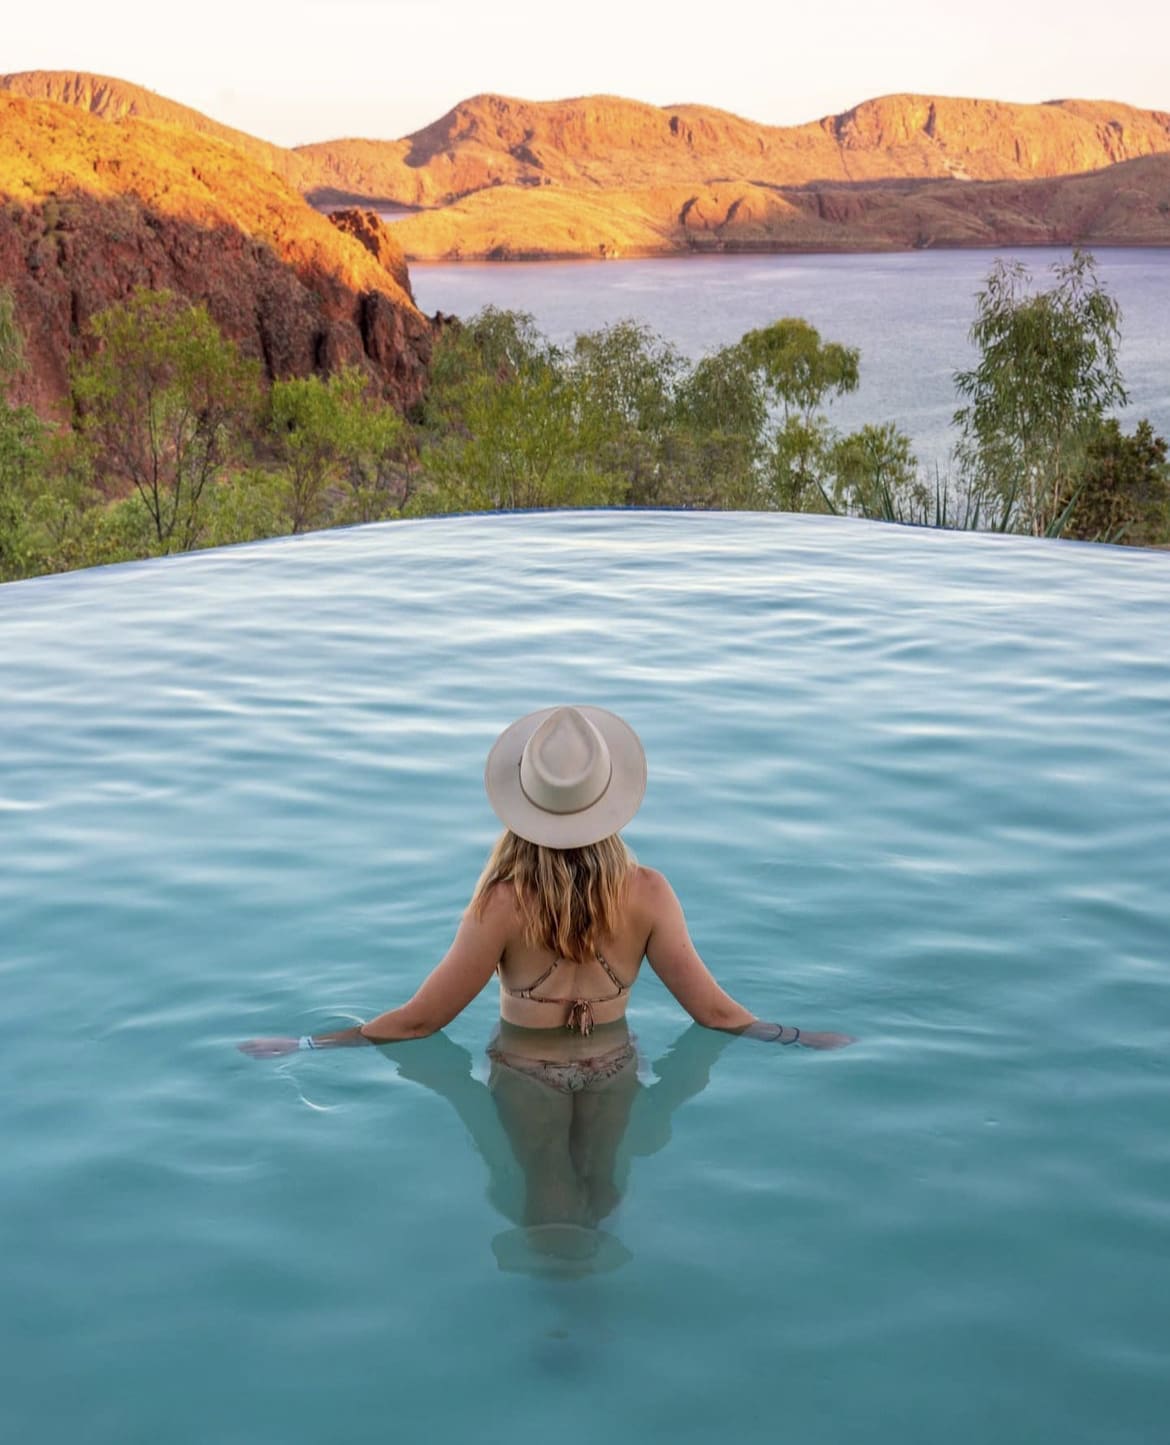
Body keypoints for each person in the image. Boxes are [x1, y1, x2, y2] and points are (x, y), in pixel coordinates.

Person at [240, 704, 853, 1062]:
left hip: (526, 1073)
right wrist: (803, 1038)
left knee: (544, 1226)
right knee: (603, 1207)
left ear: (523, 806)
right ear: (609, 802)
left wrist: (306, 1045)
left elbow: (419, 1022)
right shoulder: (650, 894)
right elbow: (716, 1013)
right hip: (614, 1066)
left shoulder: (502, 907)